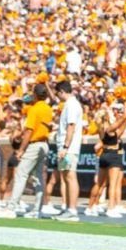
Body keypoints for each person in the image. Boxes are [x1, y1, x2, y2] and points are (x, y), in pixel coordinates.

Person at [0, 82, 53, 219]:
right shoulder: (47, 108)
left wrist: (21, 149)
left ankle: (11, 208)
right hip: (44, 144)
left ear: (35, 95)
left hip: (34, 144)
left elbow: (29, 131)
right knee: (39, 177)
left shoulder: (34, 109)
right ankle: (36, 210)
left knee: (21, 174)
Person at [55, 79, 84, 221]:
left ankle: (72, 209)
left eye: (58, 93)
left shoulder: (72, 105)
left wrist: (65, 147)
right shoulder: (69, 104)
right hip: (66, 147)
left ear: (62, 91)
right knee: (66, 177)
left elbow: (71, 126)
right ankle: (68, 208)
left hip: (69, 148)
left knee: (70, 176)